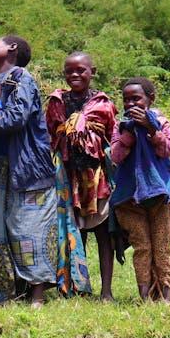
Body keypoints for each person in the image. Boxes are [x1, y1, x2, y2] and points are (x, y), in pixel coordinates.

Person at [0, 35, 90, 307]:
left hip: (27, 169)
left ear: (12, 49)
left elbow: (13, 119)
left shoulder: (23, 80)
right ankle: (6, 295)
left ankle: (37, 296)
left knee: (30, 229)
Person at [46, 51, 118, 301]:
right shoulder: (57, 101)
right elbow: (51, 136)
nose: (74, 75)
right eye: (69, 71)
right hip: (67, 176)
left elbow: (112, 137)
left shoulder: (103, 103)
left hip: (95, 177)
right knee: (75, 232)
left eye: (81, 70)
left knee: (103, 233)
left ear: (92, 72)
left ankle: (106, 290)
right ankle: (78, 287)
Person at [110, 77, 170, 302]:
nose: (130, 104)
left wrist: (151, 129)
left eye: (136, 99)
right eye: (126, 100)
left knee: (161, 247)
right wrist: (128, 136)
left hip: (160, 194)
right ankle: (145, 296)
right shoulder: (120, 126)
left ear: (150, 99)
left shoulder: (160, 122)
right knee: (142, 247)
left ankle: (165, 297)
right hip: (129, 198)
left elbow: (167, 150)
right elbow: (116, 156)